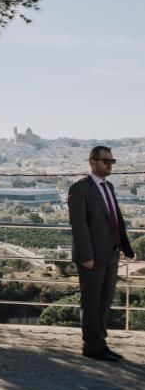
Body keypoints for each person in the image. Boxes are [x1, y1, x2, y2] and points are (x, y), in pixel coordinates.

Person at [68, 146, 134, 362]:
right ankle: (91, 346)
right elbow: (79, 225)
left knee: (104, 302)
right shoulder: (80, 188)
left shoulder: (109, 187)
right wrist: (87, 256)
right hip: (92, 256)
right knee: (91, 302)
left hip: (111, 253)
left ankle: (100, 343)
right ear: (93, 162)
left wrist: (124, 246)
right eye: (106, 161)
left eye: (112, 161)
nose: (110, 165)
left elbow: (115, 218)